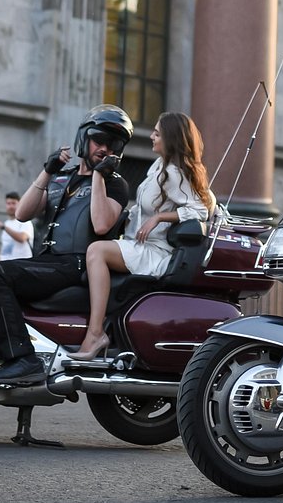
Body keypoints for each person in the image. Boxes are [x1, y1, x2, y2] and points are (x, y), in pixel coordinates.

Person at [0, 105, 133, 384]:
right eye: (99, 140)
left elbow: (102, 224)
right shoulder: (61, 178)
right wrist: (47, 172)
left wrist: (98, 177)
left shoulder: (115, 184)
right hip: (46, 260)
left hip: (75, 263)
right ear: (84, 138)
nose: (105, 149)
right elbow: (23, 213)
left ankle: (23, 359)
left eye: (113, 144)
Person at [75, 112, 215, 361]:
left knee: (97, 251)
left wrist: (160, 218)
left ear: (170, 138)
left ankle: (95, 333)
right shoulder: (158, 166)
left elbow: (200, 209)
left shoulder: (173, 173)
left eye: (157, 133)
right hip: (136, 242)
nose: (151, 136)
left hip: (154, 250)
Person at [0, 191, 34, 260]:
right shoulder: (7, 223)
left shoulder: (25, 221)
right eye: (8, 203)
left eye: (13, 203)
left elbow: (22, 238)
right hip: (5, 262)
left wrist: (3, 227)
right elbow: (4, 245)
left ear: (19, 204)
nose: (11, 206)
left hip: (21, 262)